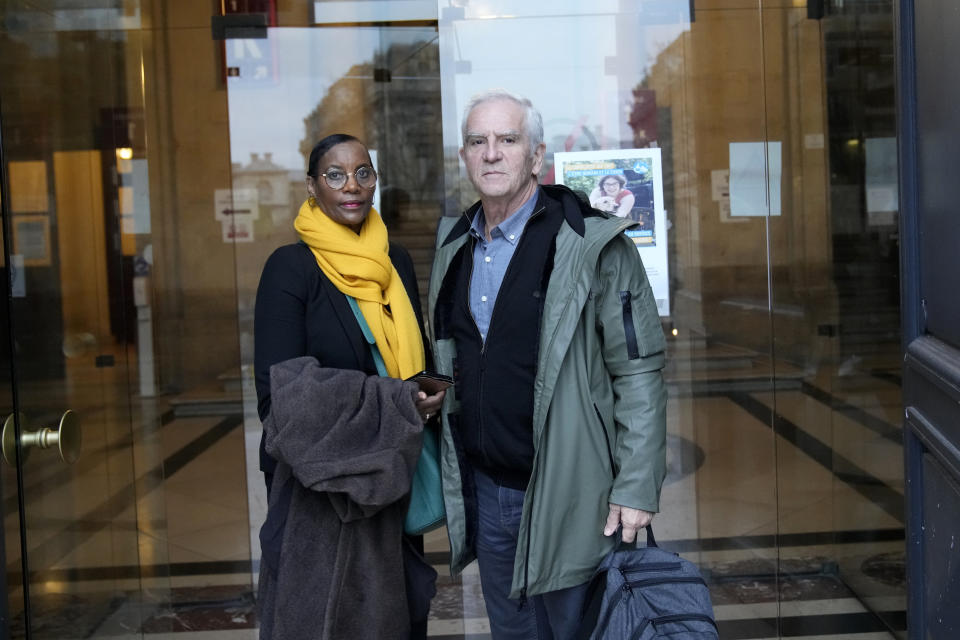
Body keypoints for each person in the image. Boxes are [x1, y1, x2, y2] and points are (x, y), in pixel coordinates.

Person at [427, 90, 667, 639]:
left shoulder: (592, 243)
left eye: (507, 140)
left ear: (535, 156)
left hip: (572, 492)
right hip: (489, 493)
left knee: (580, 630)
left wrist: (635, 484)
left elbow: (638, 373)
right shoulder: (453, 246)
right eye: (478, 141)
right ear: (464, 156)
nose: (491, 153)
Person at [253, 133, 444, 639]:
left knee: (398, 616)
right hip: (322, 493)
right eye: (335, 175)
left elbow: (412, 355)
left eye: (363, 172)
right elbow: (279, 401)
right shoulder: (290, 269)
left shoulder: (394, 261)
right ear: (312, 186)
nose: (352, 186)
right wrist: (392, 402)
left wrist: (425, 394)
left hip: (392, 473)